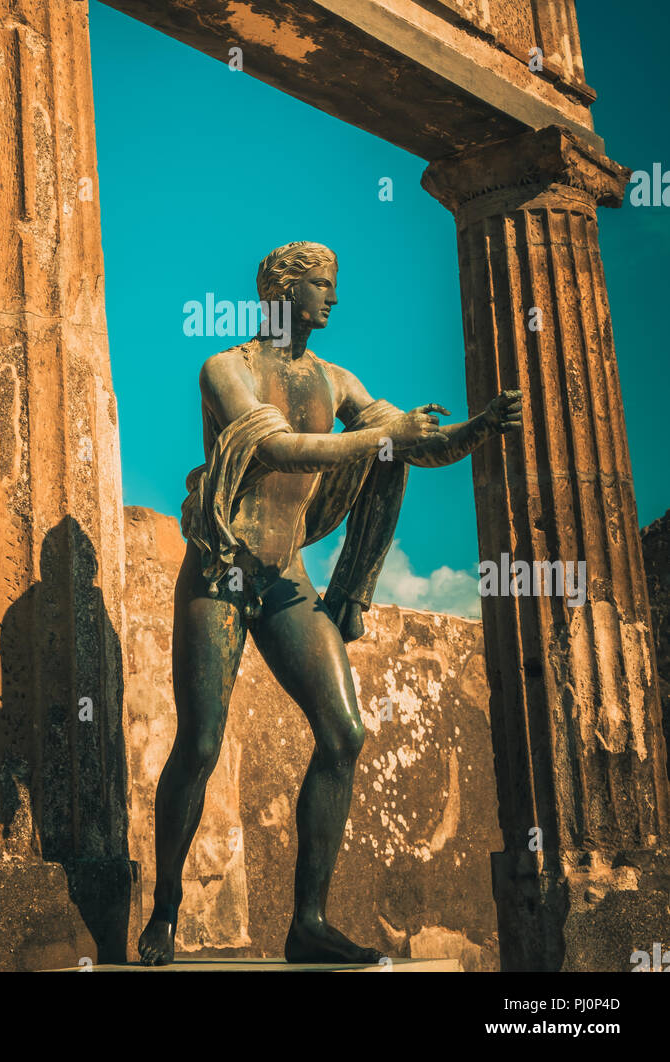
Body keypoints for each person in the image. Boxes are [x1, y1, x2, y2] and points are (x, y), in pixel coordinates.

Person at [139, 241, 522, 965]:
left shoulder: (335, 380)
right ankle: (164, 912)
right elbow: (281, 451)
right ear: (284, 290)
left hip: (286, 577)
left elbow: (410, 443)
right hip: (223, 571)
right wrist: (386, 436)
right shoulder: (227, 369)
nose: (333, 300)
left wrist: (473, 429)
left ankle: (306, 923)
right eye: (321, 285)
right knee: (200, 744)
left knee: (344, 732)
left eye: (332, 286)